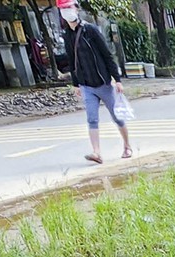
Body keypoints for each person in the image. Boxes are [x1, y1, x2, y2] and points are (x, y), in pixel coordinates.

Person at [65, 6, 131, 164]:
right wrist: (76, 84)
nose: (67, 11)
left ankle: (127, 146)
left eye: (69, 7)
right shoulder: (67, 35)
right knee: (92, 119)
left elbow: (107, 55)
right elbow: (71, 60)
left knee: (117, 117)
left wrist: (117, 79)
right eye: (63, 8)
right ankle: (96, 152)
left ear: (75, 9)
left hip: (103, 83)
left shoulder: (91, 30)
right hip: (86, 85)